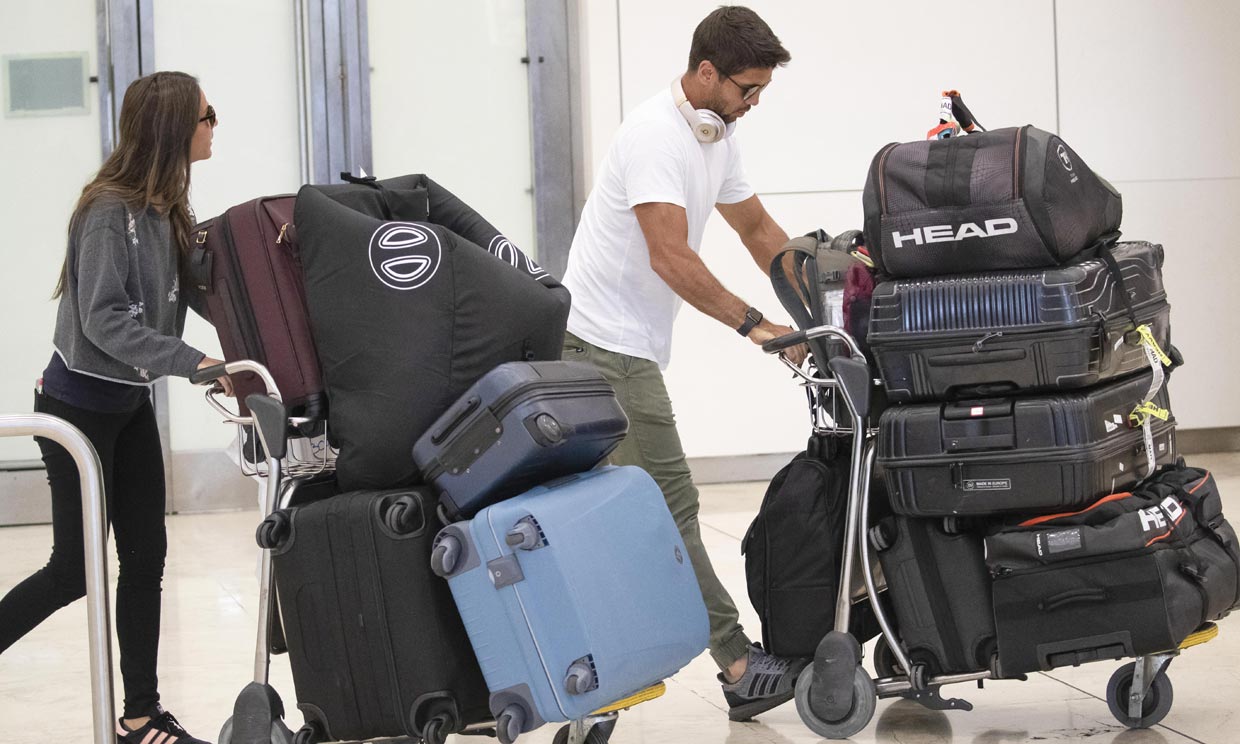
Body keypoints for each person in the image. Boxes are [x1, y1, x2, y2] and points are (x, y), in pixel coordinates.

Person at [561, 5, 809, 722]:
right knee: (669, 509)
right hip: (600, 351)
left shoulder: (716, 138)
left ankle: (652, 670)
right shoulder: (653, 138)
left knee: (647, 515)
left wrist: (823, 298)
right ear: (706, 72)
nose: (751, 104)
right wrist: (754, 324)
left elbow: (758, 230)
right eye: (744, 89)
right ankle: (737, 665)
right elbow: (671, 255)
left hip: (626, 349)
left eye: (759, 91)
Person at [0, 70, 232, 744]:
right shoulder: (108, 212)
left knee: (146, 557)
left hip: (128, 406)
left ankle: (139, 715)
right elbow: (104, 319)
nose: (214, 125)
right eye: (206, 114)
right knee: (74, 572)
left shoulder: (165, 210)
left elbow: (208, 289)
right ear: (173, 129)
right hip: (74, 413)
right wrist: (194, 364)